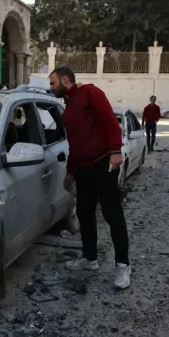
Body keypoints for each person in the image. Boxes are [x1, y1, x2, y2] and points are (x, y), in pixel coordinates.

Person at [49, 66, 131, 289]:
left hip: (103, 163)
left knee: (112, 214)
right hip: (83, 169)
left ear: (66, 79)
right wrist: (70, 171)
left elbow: (109, 122)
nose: (51, 87)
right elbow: (75, 144)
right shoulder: (69, 104)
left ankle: (123, 266)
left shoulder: (91, 93)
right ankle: (89, 258)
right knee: (85, 214)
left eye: (53, 82)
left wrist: (115, 150)